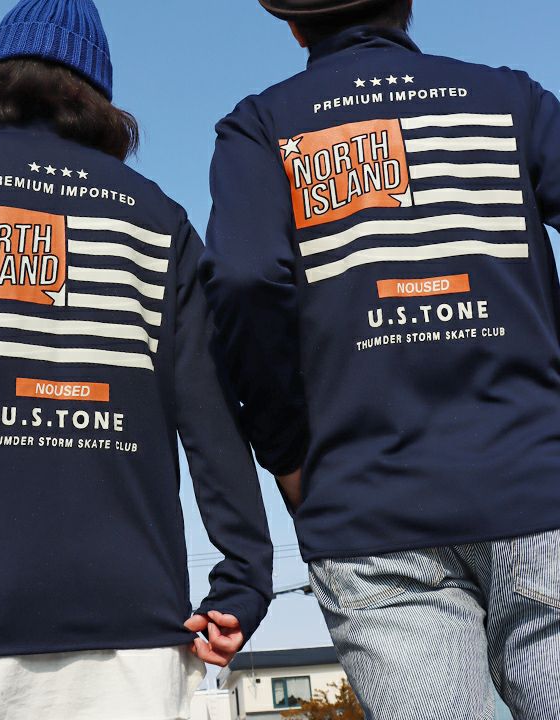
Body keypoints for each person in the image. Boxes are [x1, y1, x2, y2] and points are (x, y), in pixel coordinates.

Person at [0, 1, 274, 718]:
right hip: (137, 631)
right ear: (99, 99)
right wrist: (244, 579)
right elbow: (211, 414)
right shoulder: (156, 217)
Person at [200, 0, 560, 717]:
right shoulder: (508, 99)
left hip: (367, 506)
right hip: (537, 480)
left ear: (294, 24)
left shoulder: (263, 126)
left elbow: (242, 281)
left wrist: (286, 452)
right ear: (406, 6)